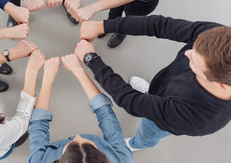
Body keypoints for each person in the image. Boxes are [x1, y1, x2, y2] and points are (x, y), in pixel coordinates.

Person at [76, 15, 231, 151]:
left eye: (195, 63)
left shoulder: (194, 118)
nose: (186, 53)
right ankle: (153, 95)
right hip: (167, 89)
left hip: (160, 123)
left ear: (221, 85)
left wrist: (91, 60)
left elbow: (131, 100)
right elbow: (159, 25)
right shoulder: (219, 40)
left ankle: (136, 144)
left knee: (147, 132)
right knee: (155, 95)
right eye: (193, 49)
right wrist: (102, 26)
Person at [28, 54, 133, 163]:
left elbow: (38, 124)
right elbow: (107, 116)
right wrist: (78, 70)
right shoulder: (122, 159)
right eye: (89, 143)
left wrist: (47, 77)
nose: (77, 137)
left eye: (72, 144)